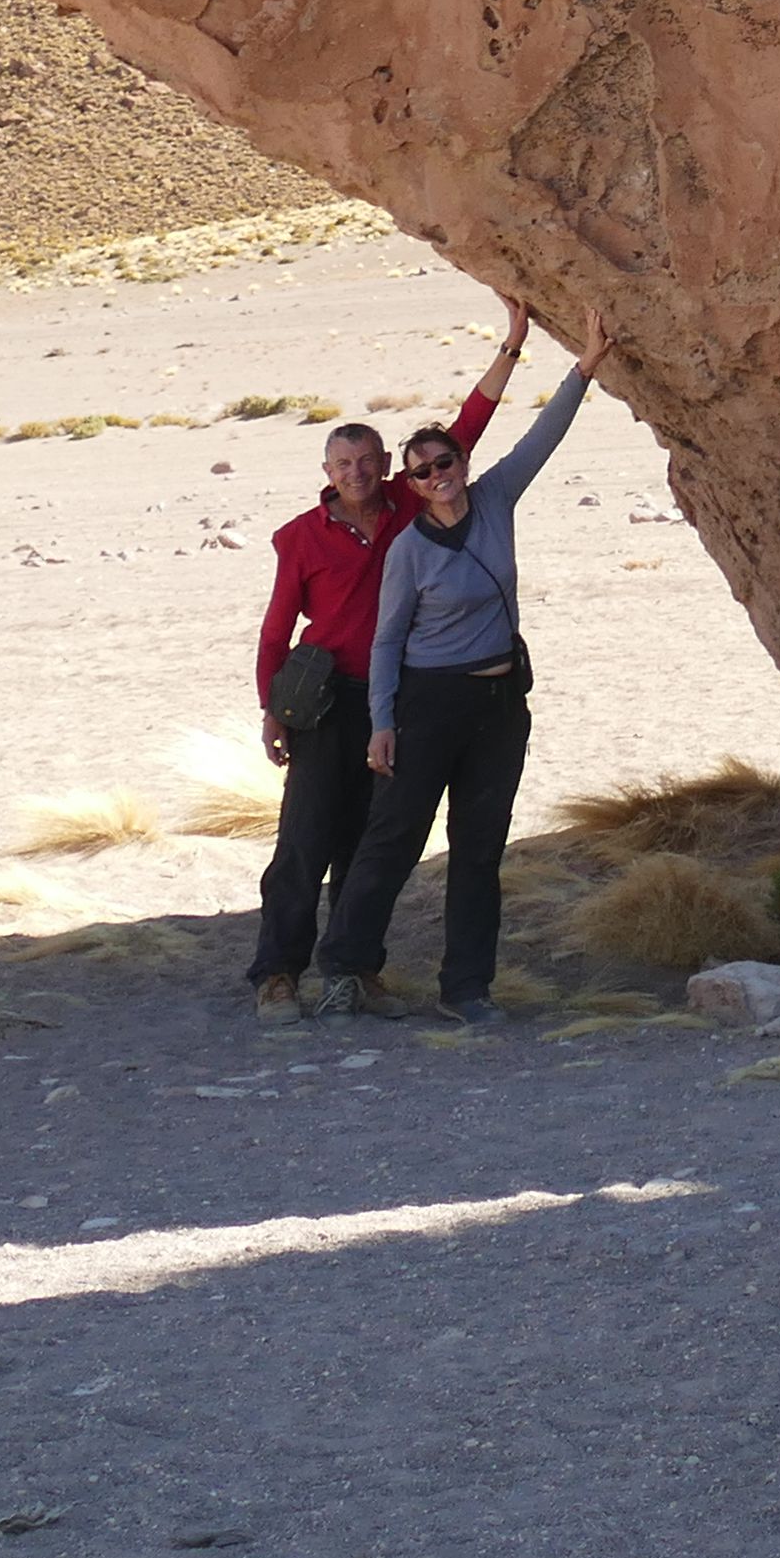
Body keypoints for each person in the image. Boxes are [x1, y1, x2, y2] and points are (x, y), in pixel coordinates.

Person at [240, 299, 525, 1017]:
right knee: (306, 837)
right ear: (327, 470)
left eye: (368, 460)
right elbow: (276, 631)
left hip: (397, 701)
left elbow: (467, 429)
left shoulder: (408, 503)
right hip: (328, 700)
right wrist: (271, 709)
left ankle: (356, 972)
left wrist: (511, 345)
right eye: (344, 464)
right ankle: (278, 973)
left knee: (372, 840)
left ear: (386, 466)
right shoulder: (300, 537)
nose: (358, 472)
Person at [311, 349, 595, 1023]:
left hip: (499, 705)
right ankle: (345, 969)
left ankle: (466, 990)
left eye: (446, 462)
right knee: (395, 839)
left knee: (479, 849)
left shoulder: (496, 499)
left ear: (463, 464)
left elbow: (543, 436)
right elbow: (386, 641)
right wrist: (384, 722)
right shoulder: (410, 550)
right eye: (423, 471)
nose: (438, 475)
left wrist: (584, 368)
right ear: (410, 484)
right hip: (428, 704)